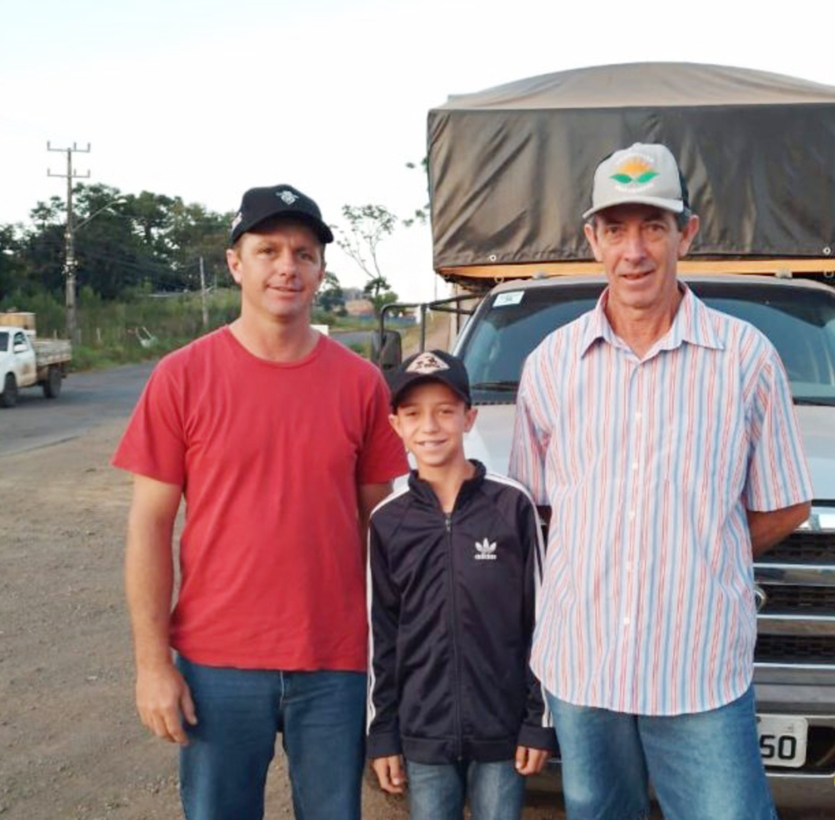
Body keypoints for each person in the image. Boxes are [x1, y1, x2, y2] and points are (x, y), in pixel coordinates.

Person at [509, 143, 814, 820]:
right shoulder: (552, 365)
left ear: (687, 233)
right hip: (583, 667)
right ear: (592, 239)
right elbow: (536, 511)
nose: (635, 251)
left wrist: (701, 550)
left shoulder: (745, 359)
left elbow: (787, 504)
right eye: (615, 229)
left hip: (696, 667)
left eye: (653, 226)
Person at [112, 184, 408, 820]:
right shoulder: (182, 376)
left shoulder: (359, 384)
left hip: (336, 662)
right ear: (235, 263)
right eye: (267, 249)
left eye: (303, 253)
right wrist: (151, 665)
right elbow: (149, 528)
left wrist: (394, 661)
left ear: (321, 270)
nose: (286, 266)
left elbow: (378, 527)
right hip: (217, 663)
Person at [367, 350, 556, 820]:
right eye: (413, 414)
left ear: (469, 418)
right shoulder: (387, 522)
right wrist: (383, 732)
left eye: (445, 411)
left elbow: (543, 620)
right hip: (423, 732)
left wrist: (538, 722)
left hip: (502, 730)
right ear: (396, 425)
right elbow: (381, 639)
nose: (430, 427)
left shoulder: (512, 506)